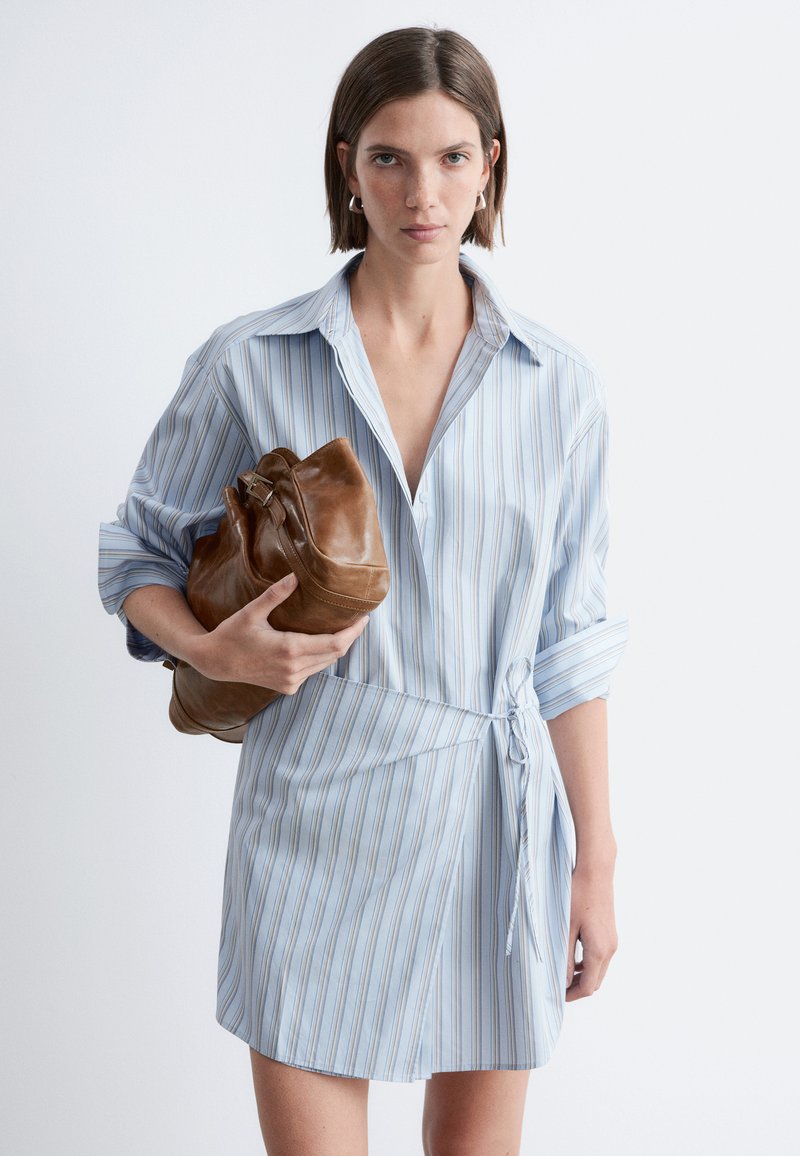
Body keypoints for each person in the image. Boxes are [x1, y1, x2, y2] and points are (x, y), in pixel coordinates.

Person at [98, 26, 629, 1156]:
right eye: (389, 157)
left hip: (492, 824)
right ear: (347, 166)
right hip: (313, 820)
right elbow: (135, 553)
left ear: (489, 165)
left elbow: (568, 641)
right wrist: (211, 650)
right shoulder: (253, 359)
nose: (420, 193)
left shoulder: (558, 386)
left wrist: (596, 858)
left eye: (450, 157)